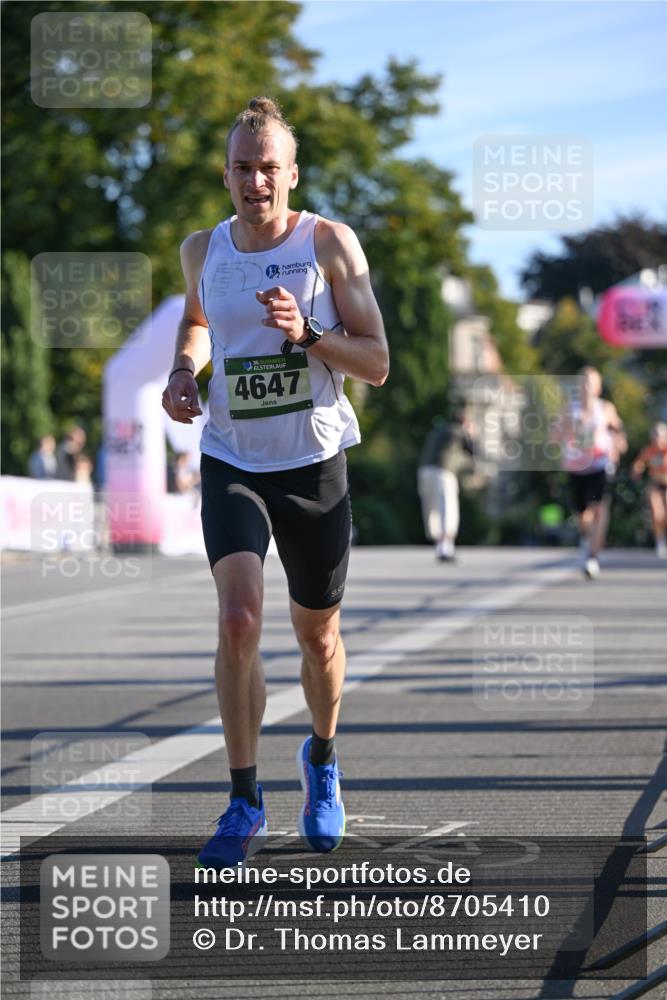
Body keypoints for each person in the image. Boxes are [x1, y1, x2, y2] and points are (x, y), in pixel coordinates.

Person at [161, 97, 388, 868]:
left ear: (291, 174)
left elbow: (378, 362)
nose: (254, 180)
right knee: (236, 619)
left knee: (316, 634)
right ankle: (242, 798)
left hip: (312, 461)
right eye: (241, 167)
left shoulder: (329, 243)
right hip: (232, 457)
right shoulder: (203, 249)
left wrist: (310, 334)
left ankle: (321, 759)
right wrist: (182, 371)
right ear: (225, 175)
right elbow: (197, 322)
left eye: (268, 167)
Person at [557, 366, 626, 578]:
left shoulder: (605, 408)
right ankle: (587, 540)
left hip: (599, 464)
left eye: (590, 382)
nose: (585, 386)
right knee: (583, 515)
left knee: (599, 508)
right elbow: (555, 435)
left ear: (598, 386)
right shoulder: (569, 409)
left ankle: (592, 557)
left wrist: (618, 445)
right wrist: (569, 431)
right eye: (582, 382)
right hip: (576, 467)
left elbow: (618, 431)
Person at [417, 410, 474, 561]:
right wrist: (470, 433)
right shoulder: (458, 431)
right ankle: (445, 547)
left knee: (432, 510)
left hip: (425, 471)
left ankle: (439, 546)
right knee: (447, 509)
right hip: (443, 472)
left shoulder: (438, 430)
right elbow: (471, 449)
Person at [631, 421, 667, 559]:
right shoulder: (649, 450)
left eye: (660, 436)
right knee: (658, 514)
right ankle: (660, 541)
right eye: (655, 436)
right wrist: (637, 470)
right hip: (655, 485)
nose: (657, 439)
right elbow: (639, 463)